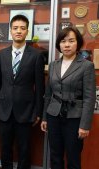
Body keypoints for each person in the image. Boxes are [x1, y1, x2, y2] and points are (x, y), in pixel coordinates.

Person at [0, 14, 45, 169]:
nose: (18, 31)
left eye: (22, 28)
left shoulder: (36, 56)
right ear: (10, 31)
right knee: (5, 149)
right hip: (4, 111)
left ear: (27, 31)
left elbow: (40, 87)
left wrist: (38, 112)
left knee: (24, 149)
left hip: (26, 111)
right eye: (15, 28)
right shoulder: (1, 55)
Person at [41, 27, 96, 169]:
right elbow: (48, 94)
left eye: (71, 41)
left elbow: (89, 98)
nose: (66, 45)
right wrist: (45, 118)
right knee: (55, 156)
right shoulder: (53, 65)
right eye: (63, 41)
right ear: (59, 44)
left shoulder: (86, 66)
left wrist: (85, 125)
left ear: (78, 43)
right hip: (54, 116)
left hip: (74, 118)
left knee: (73, 158)